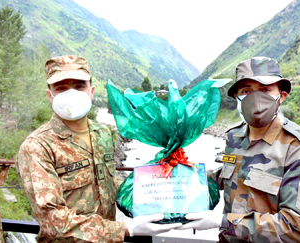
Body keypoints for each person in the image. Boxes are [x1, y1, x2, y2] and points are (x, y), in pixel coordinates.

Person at [15, 55, 180, 242]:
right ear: (50, 95)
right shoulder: (37, 146)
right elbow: (53, 221)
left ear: (91, 91)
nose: (71, 93)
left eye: (79, 86)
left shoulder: (102, 133)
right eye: (61, 88)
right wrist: (126, 229)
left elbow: (108, 183)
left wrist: (157, 186)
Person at [178, 56, 300, 242]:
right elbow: (230, 175)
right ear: (237, 97)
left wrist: (223, 221)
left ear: (281, 96)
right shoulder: (234, 138)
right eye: (247, 91)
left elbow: (296, 228)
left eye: (266, 90)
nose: (256, 98)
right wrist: (182, 174)